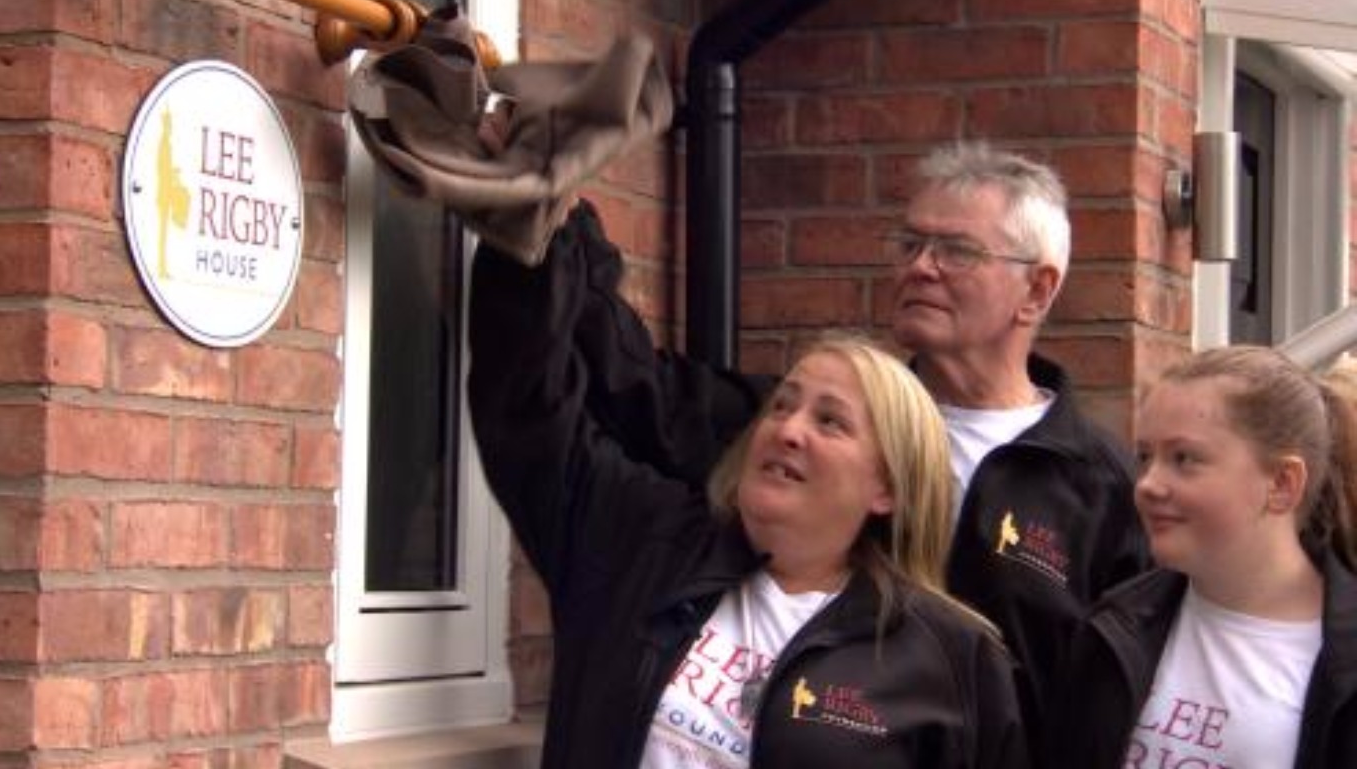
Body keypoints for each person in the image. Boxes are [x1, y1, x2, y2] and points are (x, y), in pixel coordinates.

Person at [561, 141, 1150, 751]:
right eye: (911, 244)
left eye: (956, 251)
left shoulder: (1104, 490)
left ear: (1037, 290)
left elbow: (1125, 703)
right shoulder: (798, 428)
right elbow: (639, 388)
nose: (921, 267)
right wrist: (557, 213)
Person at [467, 223, 1029, 767]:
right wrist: (534, 228)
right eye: (782, 405)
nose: (789, 430)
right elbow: (530, 418)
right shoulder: (644, 543)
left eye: (830, 422)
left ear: (888, 489)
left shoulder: (950, 658)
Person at [1049, 345, 1357, 767]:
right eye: (1145, 457)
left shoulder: (1342, 661)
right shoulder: (1114, 627)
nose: (1148, 484)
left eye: (1184, 459)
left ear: (1282, 483)